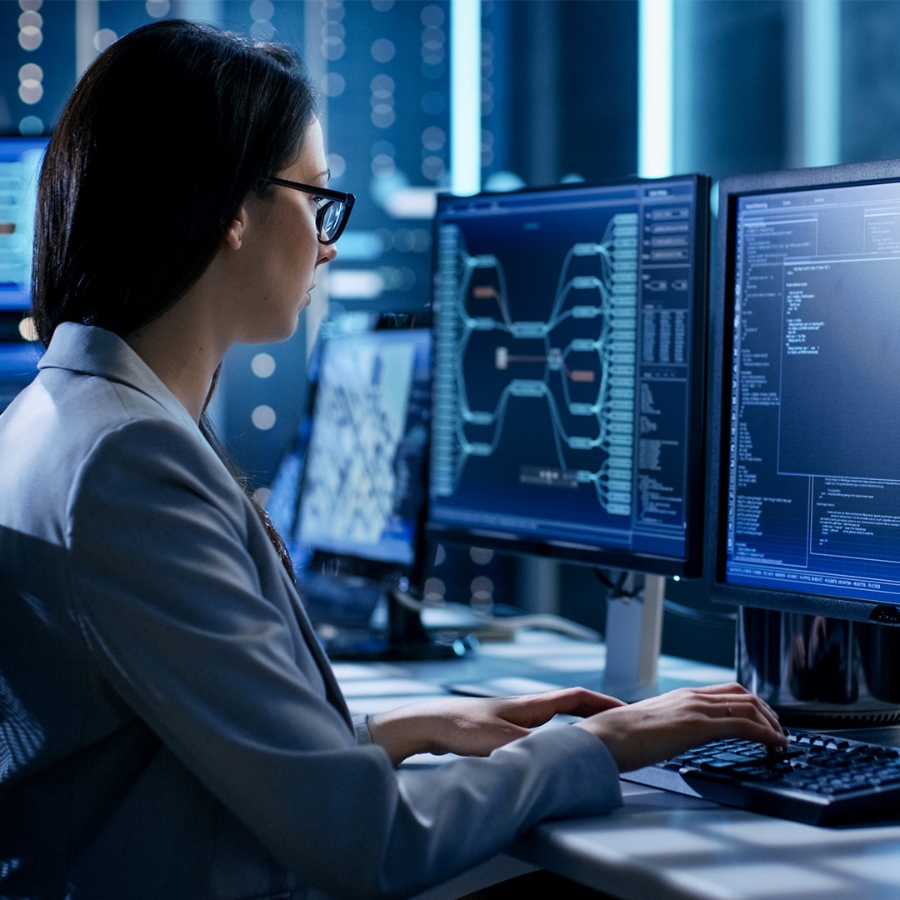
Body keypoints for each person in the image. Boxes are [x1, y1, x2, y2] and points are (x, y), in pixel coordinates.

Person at [0, 19, 785, 900]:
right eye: (317, 198)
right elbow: (367, 840)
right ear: (229, 211)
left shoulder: (57, 417)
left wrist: (421, 725)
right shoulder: (126, 464)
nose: (327, 242)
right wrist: (600, 745)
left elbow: (181, 748)